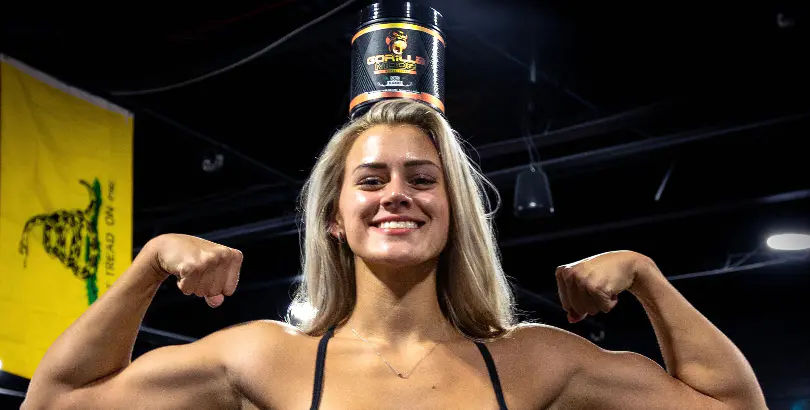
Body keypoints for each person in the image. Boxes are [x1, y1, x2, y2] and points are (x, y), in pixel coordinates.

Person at [22, 99, 767, 409]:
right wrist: (151, 262)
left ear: (454, 212)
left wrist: (644, 274)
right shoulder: (264, 358)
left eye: (422, 179)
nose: (397, 196)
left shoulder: (534, 361)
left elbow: (733, 406)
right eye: (371, 180)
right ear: (335, 218)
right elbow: (56, 400)